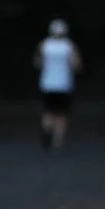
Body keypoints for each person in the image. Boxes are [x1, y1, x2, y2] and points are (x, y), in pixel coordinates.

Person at [34, 18, 82, 149]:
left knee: (48, 112)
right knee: (61, 114)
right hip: (64, 84)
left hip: (47, 83)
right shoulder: (69, 46)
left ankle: (47, 130)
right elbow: (76, 64)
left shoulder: (44, 45)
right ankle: (57, 142)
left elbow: (38, 62)